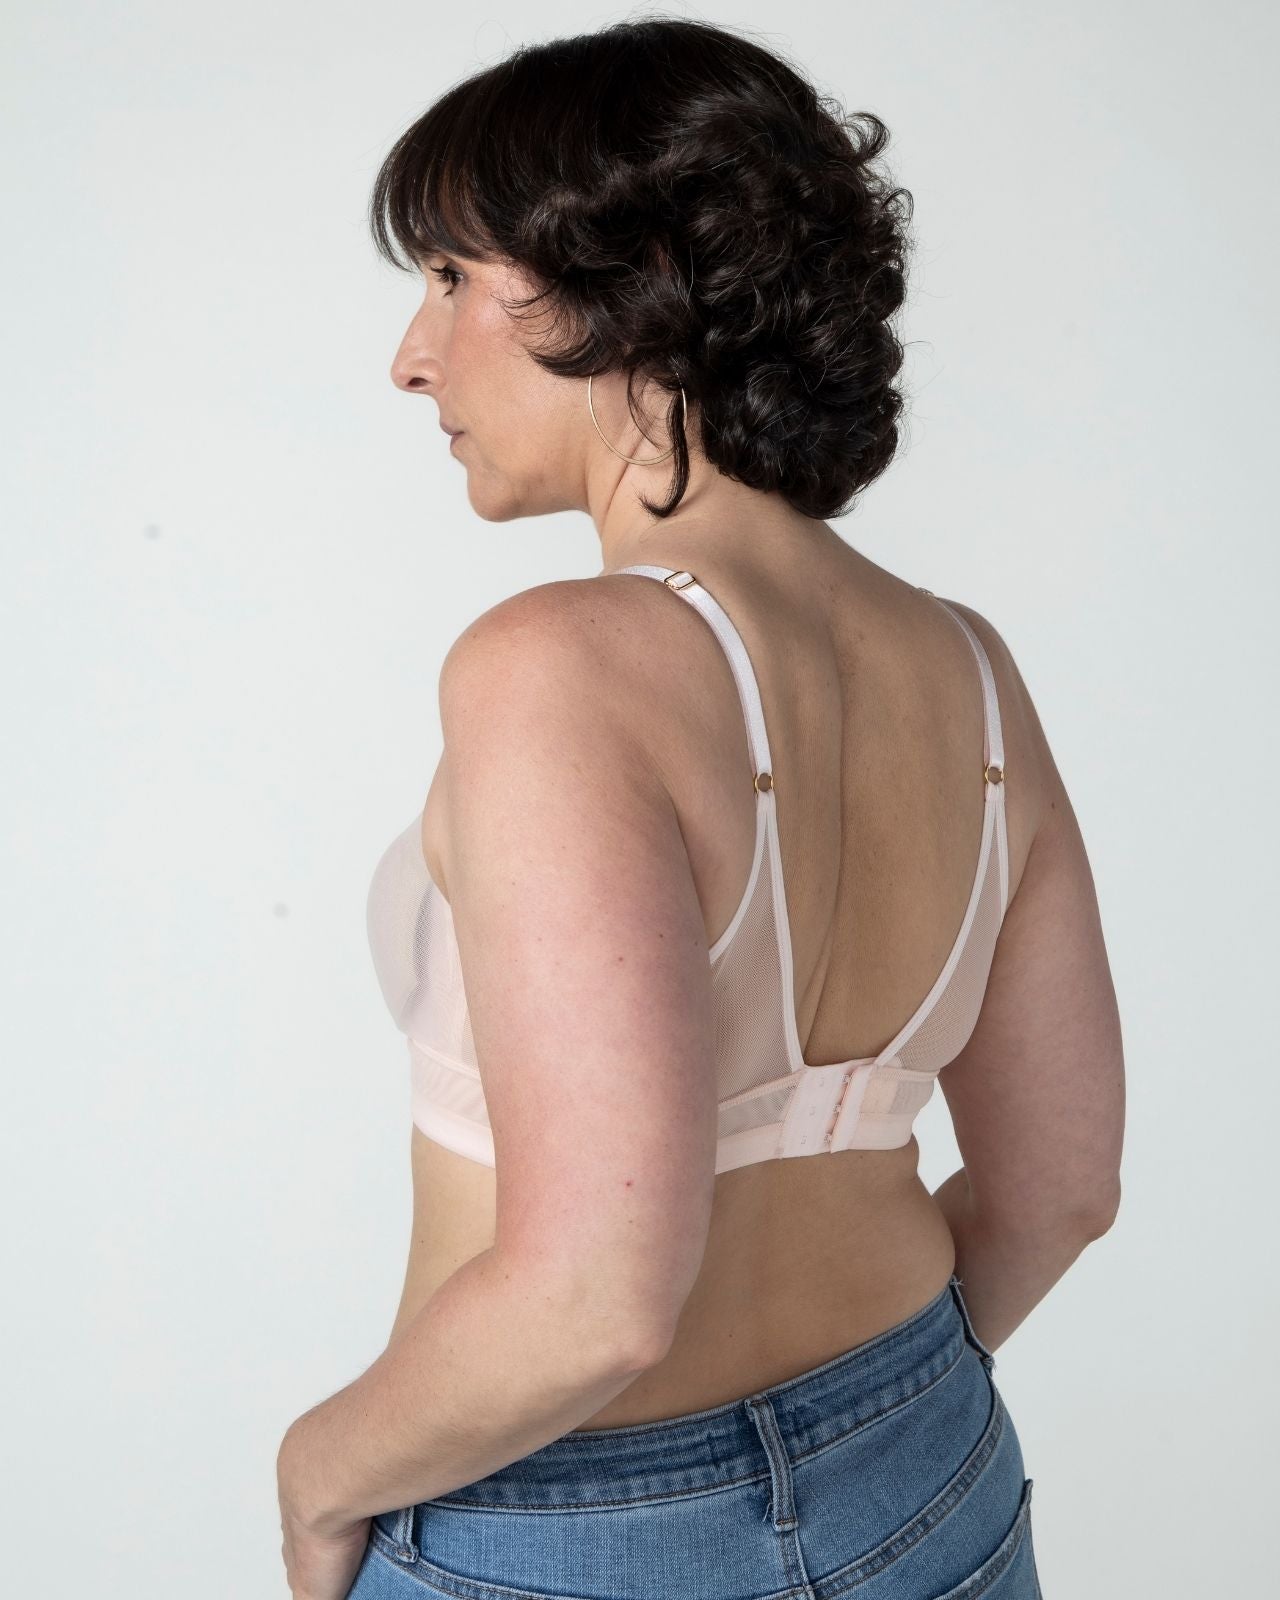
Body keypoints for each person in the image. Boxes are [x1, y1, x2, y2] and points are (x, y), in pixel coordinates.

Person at [276, 17, 1124, 1600]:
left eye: (453, 277)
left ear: (632, 286)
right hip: (931, 1471)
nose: (412, 353)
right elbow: (1063, 1186)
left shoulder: (555, 670)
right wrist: (868, 1428)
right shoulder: (969, 671)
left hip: (568, 1529)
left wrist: (315, 1478)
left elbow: (595, 1301)